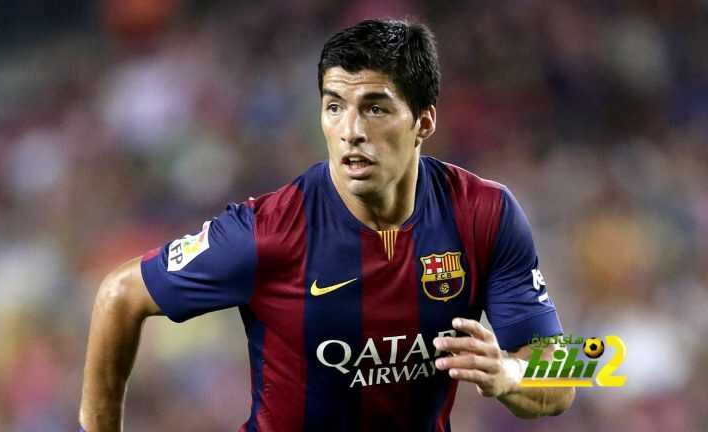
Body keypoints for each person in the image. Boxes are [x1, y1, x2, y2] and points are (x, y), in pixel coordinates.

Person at [79, 18, 574, 432]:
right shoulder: (269, 230)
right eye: (335, 106)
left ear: (423, 121)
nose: (351, 131)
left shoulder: (485, 213)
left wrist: (508, 372)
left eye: (375, 108)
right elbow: (119, 295)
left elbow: (567, 377)